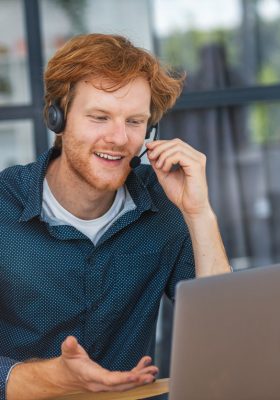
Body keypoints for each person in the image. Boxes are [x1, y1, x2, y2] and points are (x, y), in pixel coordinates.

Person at [0, 33, 231, 400]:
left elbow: (226, 339)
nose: (119, 138)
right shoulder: (3, 206)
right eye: (99, 117)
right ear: (57, 116)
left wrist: (198, 212)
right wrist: (48, 379)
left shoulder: (165, 205)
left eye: (134, 121)